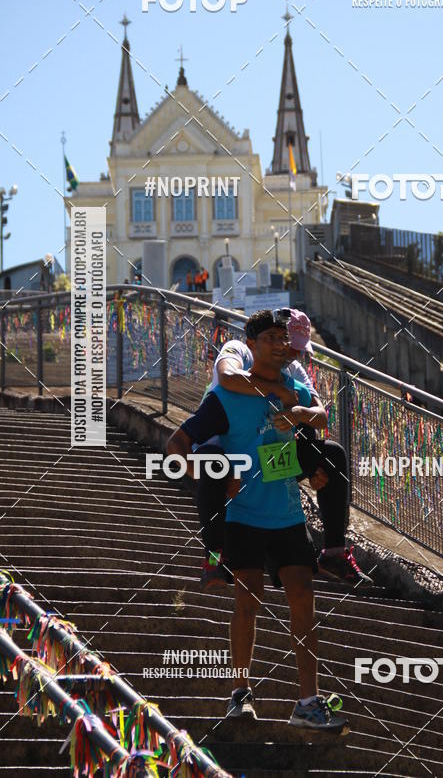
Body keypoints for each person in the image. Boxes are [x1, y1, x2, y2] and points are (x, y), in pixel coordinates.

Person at [167, 310, 348, 730]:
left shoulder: (294, 389)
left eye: (284, 338)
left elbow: (321, 418)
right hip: (243, 515)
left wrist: (300, 421)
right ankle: (240, 694)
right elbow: (176, 445)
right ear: (251, 344)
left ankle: (308, 702)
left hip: (286, 513)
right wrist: (213, 474)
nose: (281, 345)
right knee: (248, 601)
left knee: (303, 597)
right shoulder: (227, 396)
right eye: (271, 338)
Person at [173, 308, 373, 591]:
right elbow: (228, 377)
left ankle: (333, 552)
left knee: (332, 454)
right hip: (224, 448)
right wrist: (277, 390)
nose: (290, 353)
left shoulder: (293, 369)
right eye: (281, 342)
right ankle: (214, 559)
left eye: (295, 348)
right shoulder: (238, 350)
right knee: (215, 467)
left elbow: (318, 415)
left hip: (266, 454)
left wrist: (302, 422)